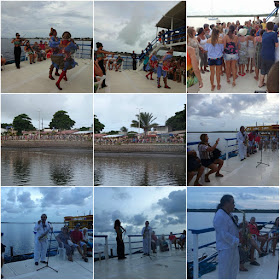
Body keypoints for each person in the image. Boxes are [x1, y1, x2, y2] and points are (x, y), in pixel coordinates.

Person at [213, 195, 239, 279]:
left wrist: (241, 226)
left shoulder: (229, 214)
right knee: (225, 272)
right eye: (232, 203)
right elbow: (223, 234)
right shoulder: (220, 215)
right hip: (225, 249)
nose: (234, 205)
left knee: (233, 269)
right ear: (226, 203)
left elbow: (231, 228)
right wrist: (238, 240)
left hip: (232, 247)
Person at [259, 22, 278, 88]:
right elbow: (276, 45)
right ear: (273, 27)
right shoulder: (274, 34)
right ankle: (268, 87)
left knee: (263, 70)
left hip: (263, 54)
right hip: (270, 55)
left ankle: (260, 84)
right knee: (270, 72)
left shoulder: (264, 33)